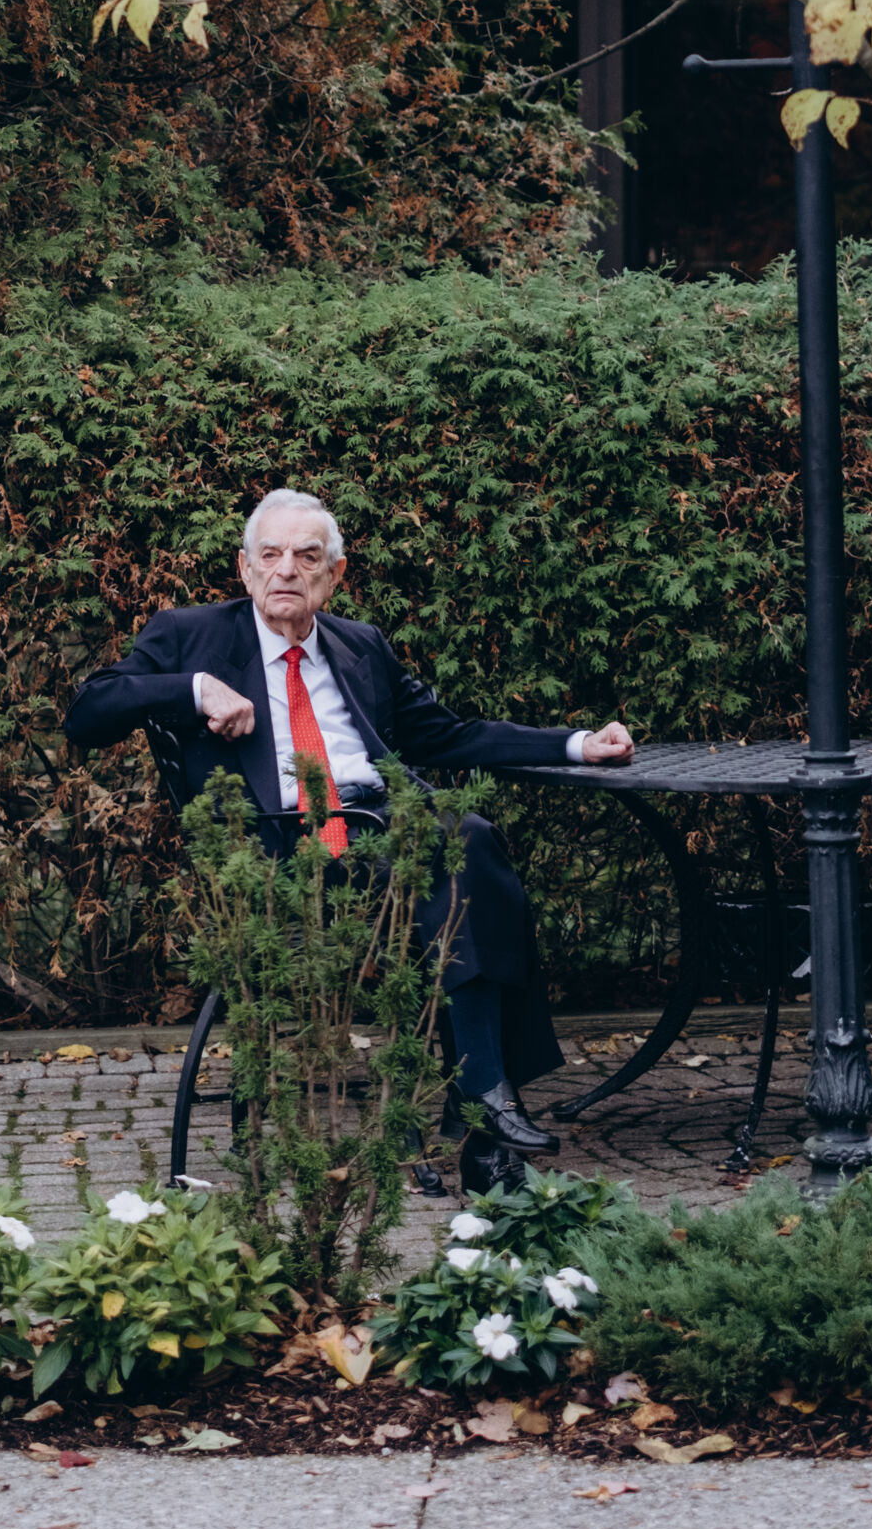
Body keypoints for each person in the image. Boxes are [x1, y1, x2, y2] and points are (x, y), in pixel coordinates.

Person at [63, 486, 633, 1187]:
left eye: (307, 557)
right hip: (276, 849)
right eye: (270, 554)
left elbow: (447, 735)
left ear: (333, 575)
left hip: (379, 826)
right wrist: (196, 689)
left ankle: (484, 1104)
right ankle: (485, 1108)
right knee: (460, 852)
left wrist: (576, 743)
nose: (286, 570)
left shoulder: (360, 645)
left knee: (468, 848)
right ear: (245, 569)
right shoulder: (190, 635)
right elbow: (87, 712)